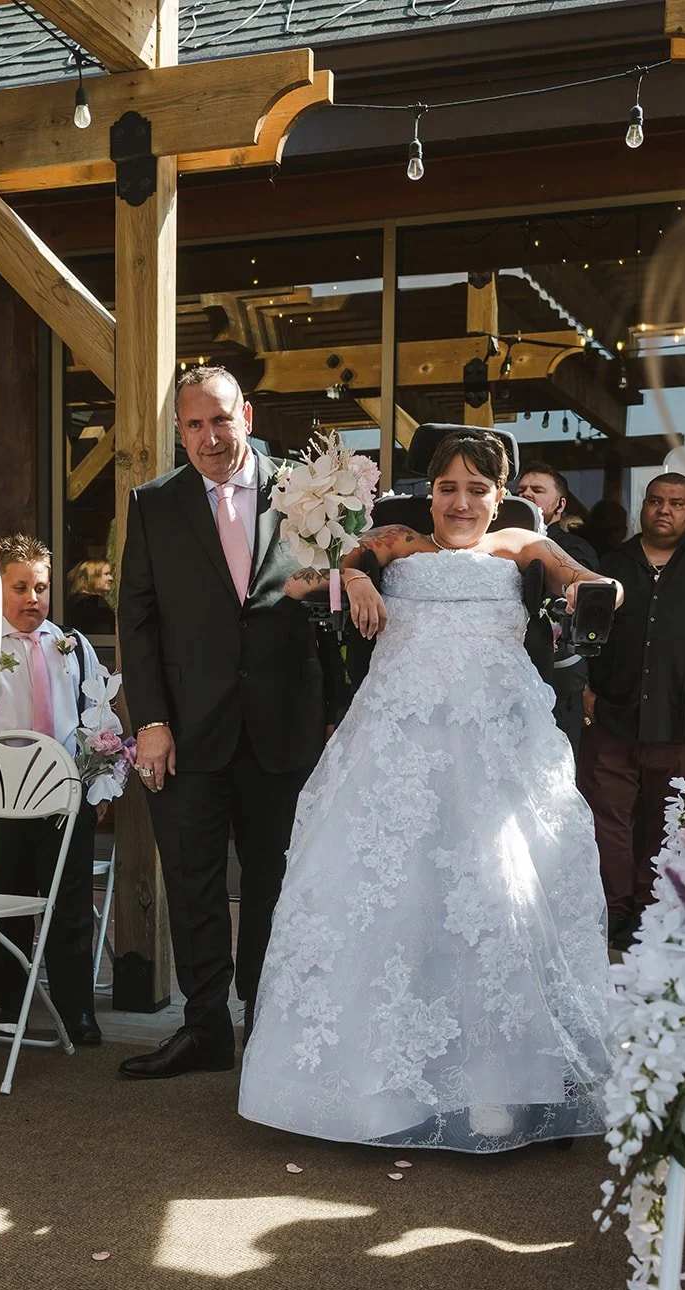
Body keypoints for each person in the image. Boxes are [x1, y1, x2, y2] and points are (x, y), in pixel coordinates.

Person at [239, 429, 619, 1153]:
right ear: (429, 493)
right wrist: (354, 581)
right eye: (448, 487)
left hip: (495, 753)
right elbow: (350, 558)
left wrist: (595, 591)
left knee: (495, 902)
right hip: (400, 754)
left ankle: (497, 1083)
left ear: (500, 497)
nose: (462, 502)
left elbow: (577, 574)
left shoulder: (517, 548)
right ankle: (379, 1088)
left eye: (478, 489)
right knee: (392, 902)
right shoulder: (399, 540)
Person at [117, 365, 328, 1079]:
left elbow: (335, 607)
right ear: (180, 431)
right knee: (194, 880)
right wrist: (149, 719)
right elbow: (137, 623)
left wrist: (335, 714)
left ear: (247, 413)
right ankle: (205, 1027)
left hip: (285, 721)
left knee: (274, 880)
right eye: (194, 425)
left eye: (220, 420)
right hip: (188, 726)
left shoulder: (307, 492)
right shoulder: (153, 504)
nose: (209, 437)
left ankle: (265, 1026)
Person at [580, 473, 685, 950]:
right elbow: (579, 632)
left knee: (672, 824)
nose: (663, 509)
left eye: (676, 503)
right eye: (655, 501)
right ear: (641, 508)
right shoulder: (610, 563)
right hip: (613, 719)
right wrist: (584, 690)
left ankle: (655, 918)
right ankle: (614, 914)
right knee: (608, 822)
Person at [0, 534, 103, 1048]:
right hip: (0, 803)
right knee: (5, 899)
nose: (32, 598)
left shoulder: (70, 644)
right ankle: (11, 1004)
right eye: (19, 587)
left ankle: (77, 1008)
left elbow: (96, 711)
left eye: (41, 587)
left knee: (68, 904)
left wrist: (99, 762)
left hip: (63, 800)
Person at [517, 461, 598, 754]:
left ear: (560, 504)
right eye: (521, 490)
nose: (527, 495)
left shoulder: (572, 551)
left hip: (557, 685)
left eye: (538, 490)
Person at [66, 556, 115, 635]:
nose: (111, 578)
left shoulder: (74, 600)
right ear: (93, 576)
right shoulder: (93, 601)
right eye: (106, 574)